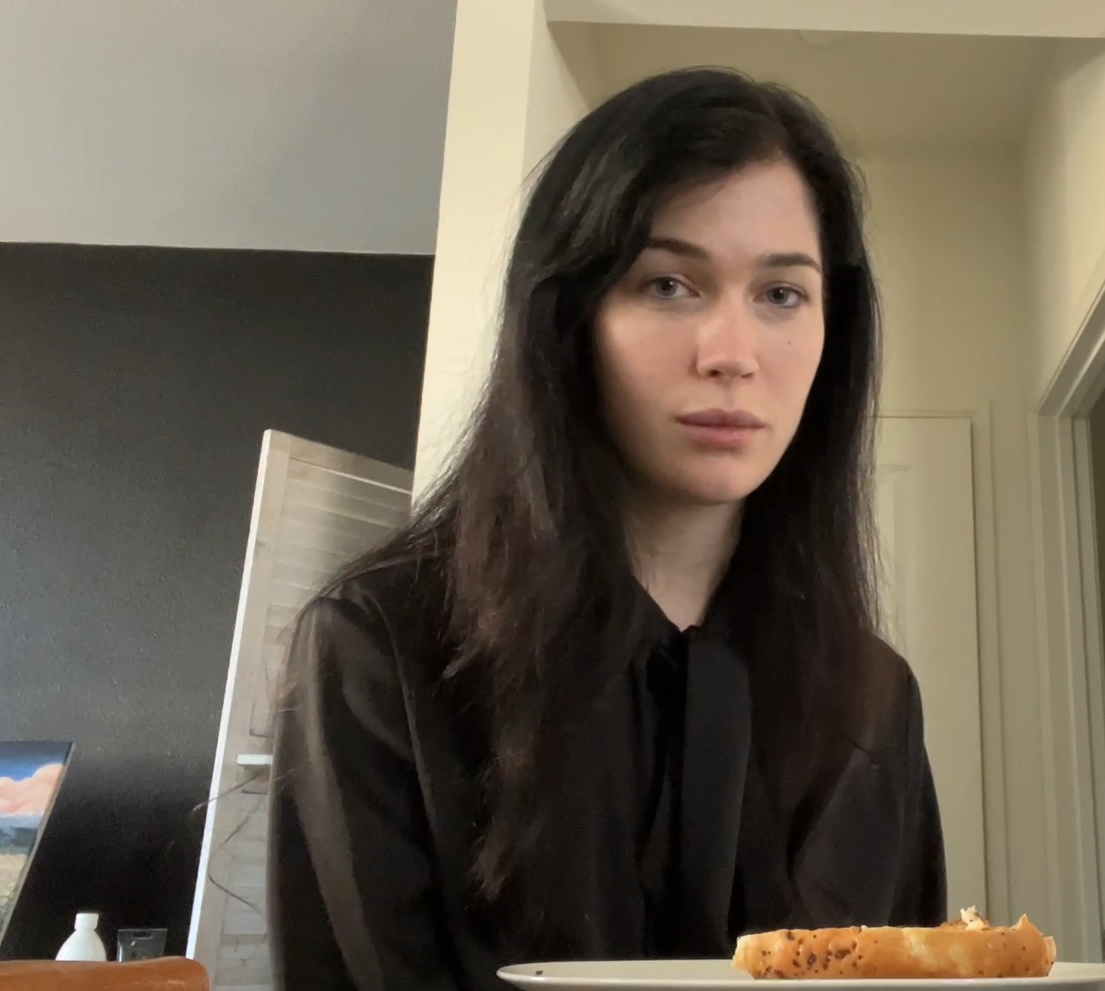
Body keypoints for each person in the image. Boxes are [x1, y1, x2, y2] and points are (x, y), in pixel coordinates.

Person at [266, 66, 946, 991]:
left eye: (782, 294)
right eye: (668, 284)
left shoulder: (873, 702)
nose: (732, 354)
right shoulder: (380, 649)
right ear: (567, 316)